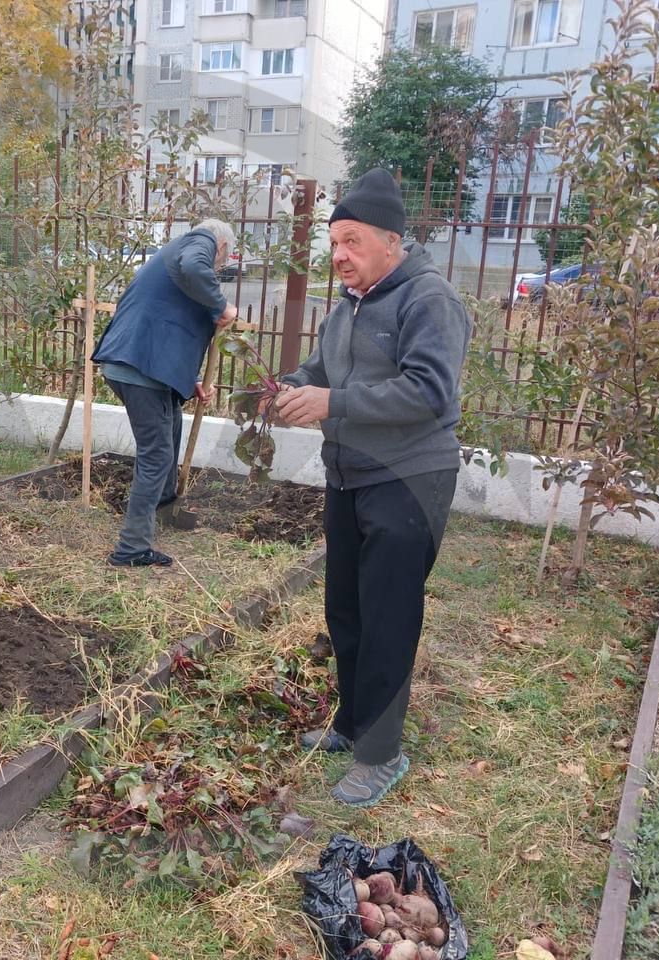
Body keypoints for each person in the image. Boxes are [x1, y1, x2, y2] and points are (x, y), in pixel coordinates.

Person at [274, 167, 470, 807]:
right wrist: (290, 385)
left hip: (408, 478)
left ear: (392, 241)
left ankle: (381, 754)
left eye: (352, 242)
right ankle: (352, 724)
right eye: (334, 245)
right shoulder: (348, 307)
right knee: (347, 610)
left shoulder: (427, 299)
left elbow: (428, 390)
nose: (339, 256)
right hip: (351, 475)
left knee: (387, 617)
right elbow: (324, 369)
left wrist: (332, 402)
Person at [91, 219, 239, 567]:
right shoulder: (199, 241)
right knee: (157, 455)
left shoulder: (174, 255)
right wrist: (221, 306)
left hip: (145, 367)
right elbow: (194, 267)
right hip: (139, 367)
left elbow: (171, 318)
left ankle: (164, 507)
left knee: (170, 430)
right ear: (221, 247)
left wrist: (190, 382)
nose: (218, 268)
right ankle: (131, 548)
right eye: (223, 262)